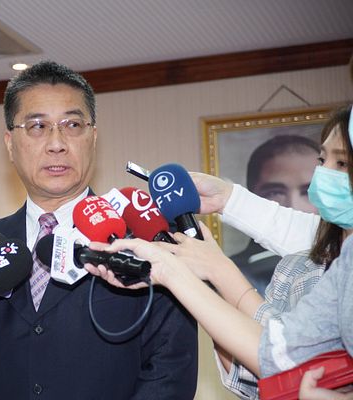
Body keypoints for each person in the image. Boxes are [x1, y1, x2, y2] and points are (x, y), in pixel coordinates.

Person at [0, 61, 198, 399]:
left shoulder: (147, 237)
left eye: (72, 124)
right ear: (10, 143)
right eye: (37, 126)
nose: (57, 143)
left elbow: (171, 367)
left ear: (92, 137)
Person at [86, 104, 353, 399]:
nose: (324, 173)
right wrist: (192, 271)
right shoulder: (297, 266)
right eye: (322, 160)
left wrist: (214, 270)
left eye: (342, 163)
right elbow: (259, 367)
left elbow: (285, 353)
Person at [231, 134, 319, 295]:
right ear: (251, 197)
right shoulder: (230, 272)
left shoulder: (342, 263)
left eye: (308, 192)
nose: (293, 206)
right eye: (275, 192)